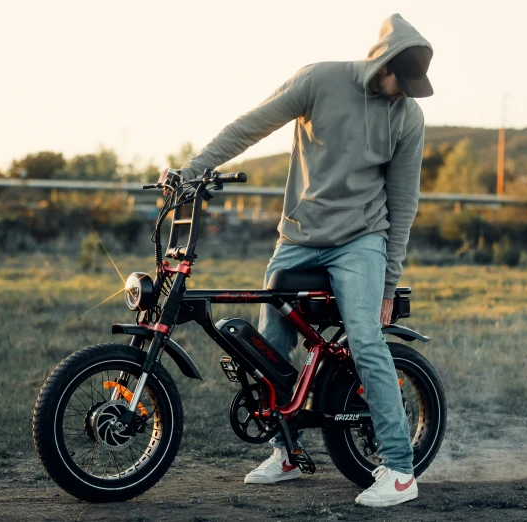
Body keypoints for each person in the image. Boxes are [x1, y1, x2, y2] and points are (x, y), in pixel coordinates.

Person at [177, 13, 433, 508]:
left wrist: (387, 284)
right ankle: (287, 452)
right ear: (382, 63)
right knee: (268, 344)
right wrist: (194, 169)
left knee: (364, 336)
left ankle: (401, 470)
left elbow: (403, 203)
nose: (406, 93)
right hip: (298, 235)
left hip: (361, 240)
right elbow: (251, 125)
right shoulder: (319, 80)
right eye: (403, 81)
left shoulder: (407, 118)